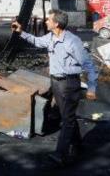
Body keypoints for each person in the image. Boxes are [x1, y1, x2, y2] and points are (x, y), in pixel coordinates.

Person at [11, 10, 99, 166]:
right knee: (67, 115)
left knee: (67, 119)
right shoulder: (50, 37)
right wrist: (21, 32)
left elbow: (89, 65)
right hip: (56, 83)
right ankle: (78, 145)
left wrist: (91, 87)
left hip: (69, 84)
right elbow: (37, 41)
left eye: (48, 20)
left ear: (56, 23)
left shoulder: (72, 42)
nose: (46, 22)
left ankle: (61, 154)